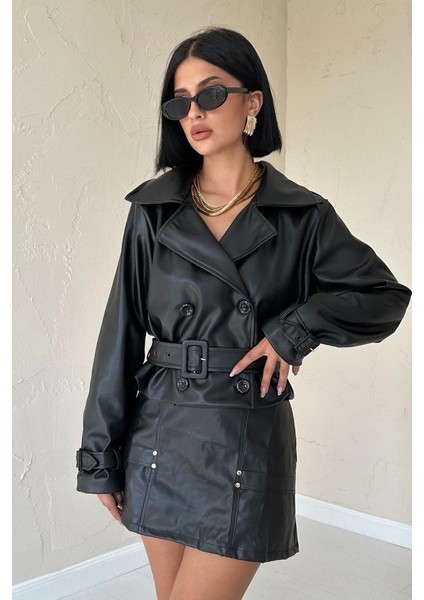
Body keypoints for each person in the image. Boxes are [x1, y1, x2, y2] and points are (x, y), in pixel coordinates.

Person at [76, 26, 411, 600]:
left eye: (211, 94)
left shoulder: (302, 215)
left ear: (252, 102)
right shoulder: (153, 210)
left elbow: (384, 296)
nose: (194, 113)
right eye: (180, 102)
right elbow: (120, 334)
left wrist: (294, 331)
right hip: (159, 434)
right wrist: (99, 456)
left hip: (245, 438)